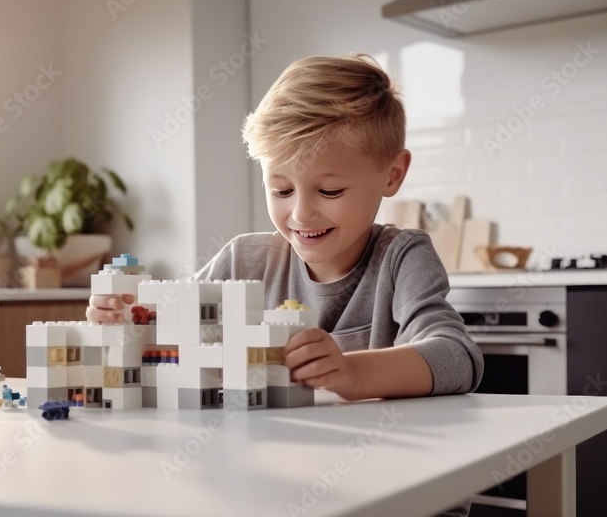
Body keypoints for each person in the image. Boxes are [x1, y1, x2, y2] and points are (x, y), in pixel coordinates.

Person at [88, 53, 482, 516]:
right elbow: (172, 330)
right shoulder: (243, 258)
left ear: (392, 174)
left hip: (396, 490)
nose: (301, 214)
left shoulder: (402, 257)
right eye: (281, 190)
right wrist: (127, 318)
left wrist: (352, 374)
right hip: (281, 490)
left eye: (329, 191)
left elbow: (458, 357)